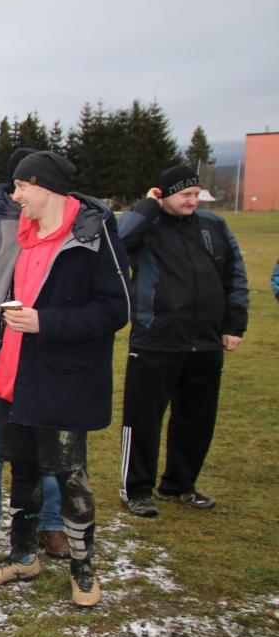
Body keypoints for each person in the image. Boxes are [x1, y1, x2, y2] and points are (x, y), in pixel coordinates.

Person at [0, 151, 129, 607]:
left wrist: (45, 322)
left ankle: (83, 570)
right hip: (15, 377)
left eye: (21, 187)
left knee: (70, 475)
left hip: (63, 382)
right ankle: (22, 556)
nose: (14, 196)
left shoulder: (92, 238)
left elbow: (116, 310)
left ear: (46, 187)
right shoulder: (20, 235)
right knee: (23, 470)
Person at [117, 164, 248, 516]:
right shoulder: (146, 224)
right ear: (162, 194)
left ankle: (179, 484)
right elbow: (118, 240)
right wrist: (147, 206)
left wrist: (234, 324)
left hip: (205, 340)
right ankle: (136, 489)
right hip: (156, 339)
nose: (192, 200)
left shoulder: (213, 225)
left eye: (195, 194)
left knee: (196, 419)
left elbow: (234, 274)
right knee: (143, 419)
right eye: (184, 194)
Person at [0, 149, 68, 558]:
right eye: (19, 184)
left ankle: (51, 525)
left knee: (50, 449)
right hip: (0, 357)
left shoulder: (59, 227)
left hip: (45, 355)